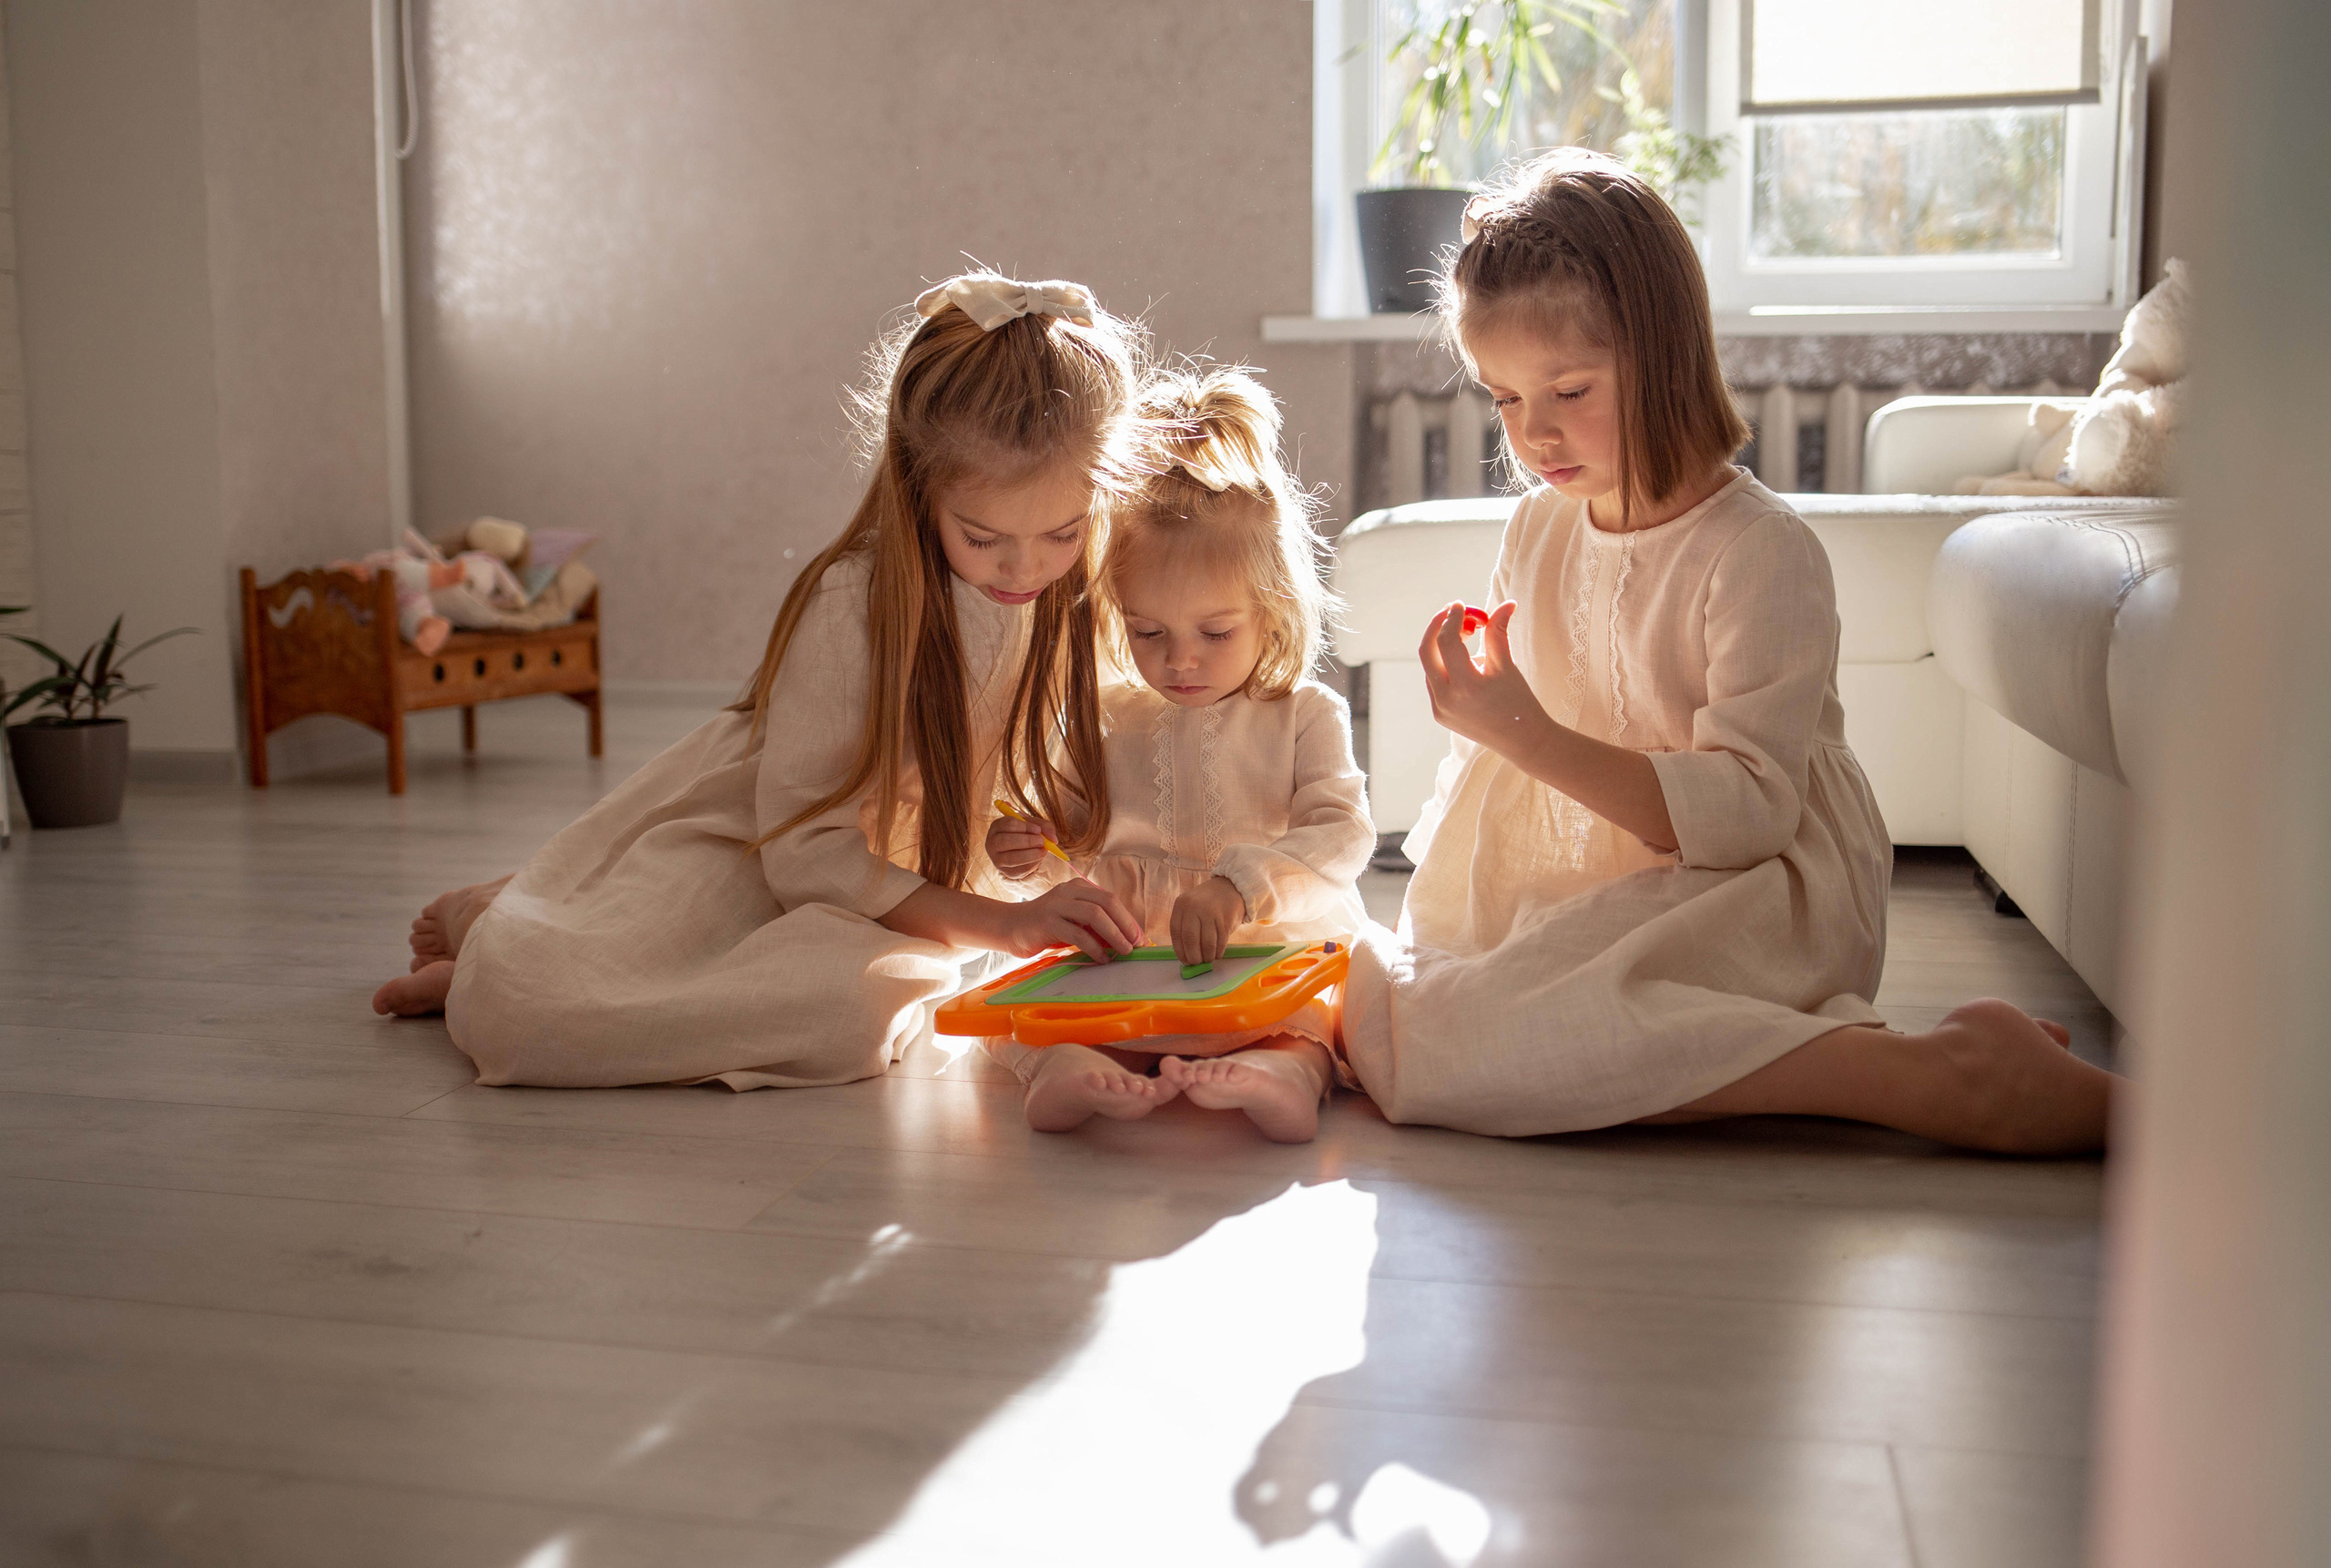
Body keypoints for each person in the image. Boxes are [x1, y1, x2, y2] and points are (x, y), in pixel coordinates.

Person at [1339, 150, 2117, 1154]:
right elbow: (1501, 775)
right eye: (1505, 399)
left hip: (1754, 892)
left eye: (1568, 391)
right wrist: (1489, 733)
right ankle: (1859, 1062)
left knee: (1453, 1042)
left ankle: (1938, 1079)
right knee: (1406, 1022)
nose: (1534, 435)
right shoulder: (1537, 529)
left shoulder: (1758, 550)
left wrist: (1524, 733)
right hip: (1596, 884)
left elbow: (1749, 817)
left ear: (1662, 358)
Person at [372, 272, 1151, 1090]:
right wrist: (1001, 926)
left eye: (1063, 533)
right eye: (983, 538)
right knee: (529, 1011)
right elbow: (804, 849)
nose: (1025, 568)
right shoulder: (852, 602)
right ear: (919, 489)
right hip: (767, 844)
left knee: (856, 1011)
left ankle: (517, 931)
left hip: (894, 886)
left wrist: (1031, 844)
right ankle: (491, 937)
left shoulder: (1076, 591)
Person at [983, 367, 1373, 1142]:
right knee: (1016, 1005)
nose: (1179, 660)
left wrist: (1240, 890)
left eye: (1215, 632)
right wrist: (1024, 850)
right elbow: (1066, 838)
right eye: (1148, 632)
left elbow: (1341, 837)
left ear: (1273, 611)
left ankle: (1285, 1075)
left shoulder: (1304, 715)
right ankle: (1066, 1071)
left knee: (1325, 1015)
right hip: (1125, 961)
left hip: (1261, 952)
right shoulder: (1107, 713)